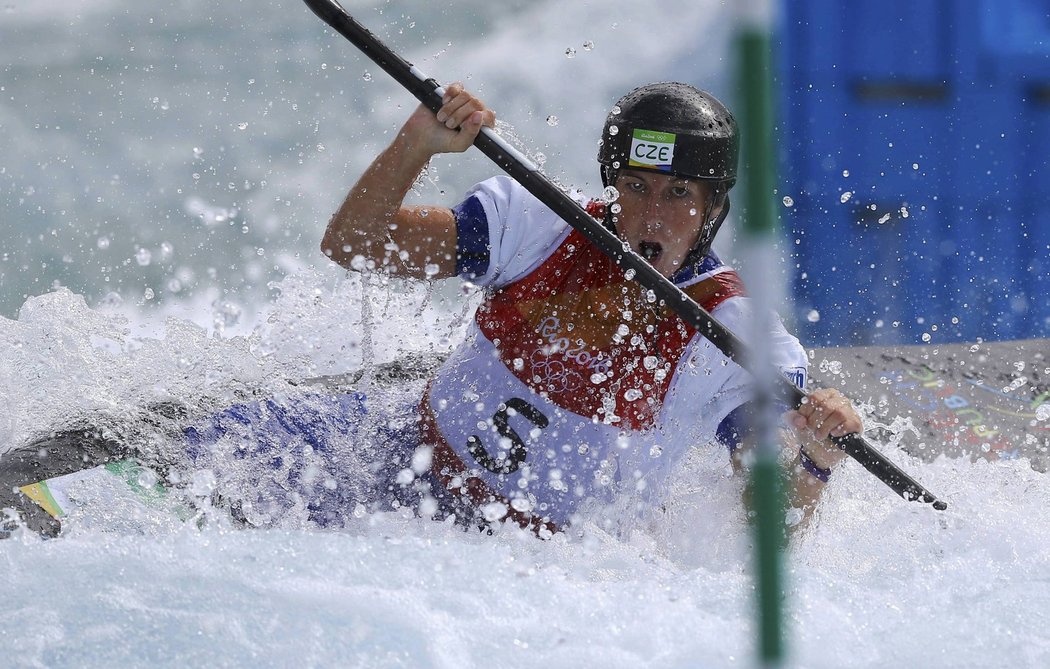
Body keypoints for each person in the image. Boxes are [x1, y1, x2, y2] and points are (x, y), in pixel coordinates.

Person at [318, 81, 863, 537]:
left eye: (678, 195)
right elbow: (353, 244)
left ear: (713, 208)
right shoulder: (535, 221)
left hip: (542, 560)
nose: (652, 216)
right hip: (406, 463)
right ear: (612, 183)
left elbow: (767, 525)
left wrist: (814, 460)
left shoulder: (737, 335)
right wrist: (416, 143)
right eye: (635, 186)